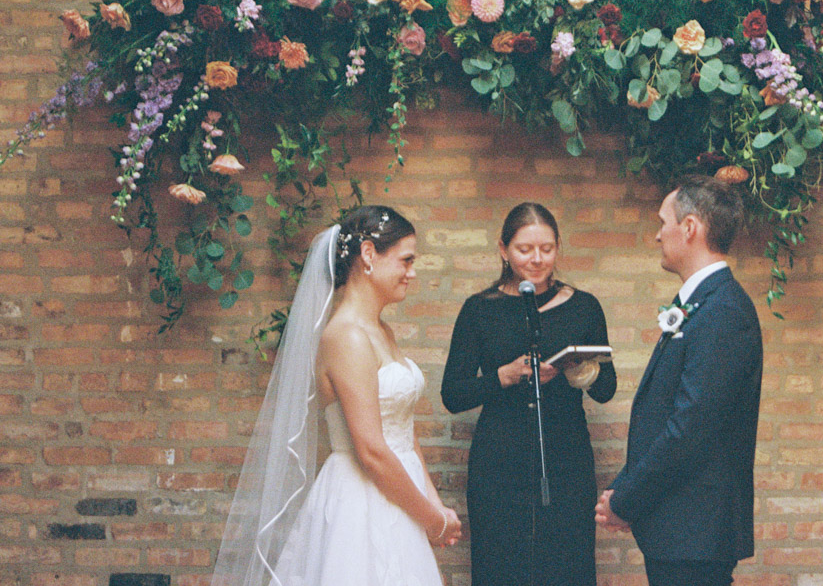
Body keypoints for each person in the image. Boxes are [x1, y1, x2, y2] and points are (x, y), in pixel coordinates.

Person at [211, 206, 461, 586]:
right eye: (406, 260)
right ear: (368, 256)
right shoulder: (346, 336)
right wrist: (431, 518)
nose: (413, 273)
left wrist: (433, 505)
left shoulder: (382, 331)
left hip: (401, 493)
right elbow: (372, 451)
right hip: (363, 500)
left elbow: (403, 430)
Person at [595, 175, 763, 586]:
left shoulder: (724, 311)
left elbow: (690, 428)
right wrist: (623, 489)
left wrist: (628, 500)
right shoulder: (703, 303)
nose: (657, 235)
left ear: (689, 228)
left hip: (696, 532)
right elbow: (666, 415)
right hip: (680, 531)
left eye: (663, 222)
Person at [441, 202, 616, 586]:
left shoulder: (583, 307)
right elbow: (453, 394)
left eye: (547, 249)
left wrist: (581, 370)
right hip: (499, 460)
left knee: (567, 565)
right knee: (501, 567)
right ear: (503, 250)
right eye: (525, 250)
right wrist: (502, 377)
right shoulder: (479, 310)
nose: (537, 260)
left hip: (566, 458)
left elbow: (607, 390)